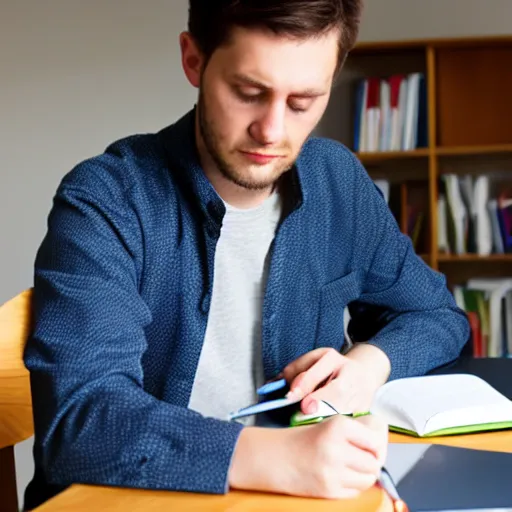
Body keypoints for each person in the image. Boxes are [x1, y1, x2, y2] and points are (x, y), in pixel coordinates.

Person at [23, 0, 470, 509]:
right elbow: (82, 419)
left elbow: (438, 315)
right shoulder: (107, 197)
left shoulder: (337, 180)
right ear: (194, 61)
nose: (272, 131)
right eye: (248, 93)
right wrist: (282, 458)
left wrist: (367, 366)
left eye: (303, 101)